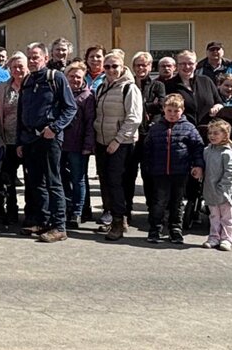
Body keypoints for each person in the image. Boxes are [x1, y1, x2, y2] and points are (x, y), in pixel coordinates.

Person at [17, 42, 77, 243]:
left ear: (44, 57)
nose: (32, 61)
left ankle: (59, 226)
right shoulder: (26, 80)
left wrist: (55, 128)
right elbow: (20, 113)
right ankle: (42, 221)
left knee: (54, 181)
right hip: (29, 139)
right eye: (29, 57)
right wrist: (19, 140)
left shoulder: (55, 78)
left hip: (49, 137)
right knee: (35, 183)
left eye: (35, 57)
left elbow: (70, 108)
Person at [92, 51, 142, 241]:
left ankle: (119, 222)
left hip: (121, 143)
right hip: (102, 141)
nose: (111, 70)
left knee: (116, 184)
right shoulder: (102, 87)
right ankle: (115, 218)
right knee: (106, 183)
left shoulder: (129, 88)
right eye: (107, 67)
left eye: (115, 66)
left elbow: (134, 118)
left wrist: (117, 140)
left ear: (122, 67)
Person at [144, 94, 204, 244]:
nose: (172, 114)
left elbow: (198, 148)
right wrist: (147, 166)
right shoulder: (156, 128)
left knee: (177, 203)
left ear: (182, 111)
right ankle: (155, 228)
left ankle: (175, 229)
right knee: (159, 202)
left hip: (180, 172)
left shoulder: (189, 128)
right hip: (159, 172)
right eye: (169, 110)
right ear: (163, 109)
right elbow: (147, 149)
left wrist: (198, 165)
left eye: (176, 111)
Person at [128, 51, 165, 224]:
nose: (141, 68)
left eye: (145, 65)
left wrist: (141, 106)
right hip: (129, 135)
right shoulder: (127, 84)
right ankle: (125, 211)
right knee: (127, 174)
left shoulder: (157, 85)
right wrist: (149, 106)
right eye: (138, 65)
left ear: (151, 67)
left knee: (149, 175)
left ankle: (152, 211)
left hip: (148, 135)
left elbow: (161, 106)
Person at [59, 61, 95, 230]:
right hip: (60, 144)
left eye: (78, 77)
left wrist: (88, 145)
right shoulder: (61, 93)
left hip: (78, 146)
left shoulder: (87, 97)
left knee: (78, 179)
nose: (74, 79)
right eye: (71, 76)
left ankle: (77, 211)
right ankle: (66, 207)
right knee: (62, 178)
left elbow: (90, 123)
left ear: (83, 78)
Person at [0, 52, 27, 224]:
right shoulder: (3, 87)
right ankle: (11, 210)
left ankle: (31, 211)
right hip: (8, 140)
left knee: (31, 179)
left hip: (28, 141)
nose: (17, 70)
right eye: (14, 67)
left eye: (21, 66)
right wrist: (0, 139)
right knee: (8, 178)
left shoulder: (32, 85)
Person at [203, 118, 232, 251]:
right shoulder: (207, 151)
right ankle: (214, 237)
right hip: (210, 190)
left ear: (225, 135)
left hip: (224, 192)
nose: (212, 136)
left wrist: (222, 187)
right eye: (210, 133)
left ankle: (227, 238)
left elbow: (230, 173)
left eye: (216, 133)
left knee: (226, 217)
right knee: (213, 216)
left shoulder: (228, 154)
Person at [162, 50, 220, 127]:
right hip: (181, 131)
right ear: (177, 66)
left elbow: (219, 102)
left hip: (209, 131)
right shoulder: (168, 85)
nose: (187, 67)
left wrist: (217, 107)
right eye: (183, 64)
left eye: (190, 63)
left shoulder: (206, 81)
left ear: (196, 65)